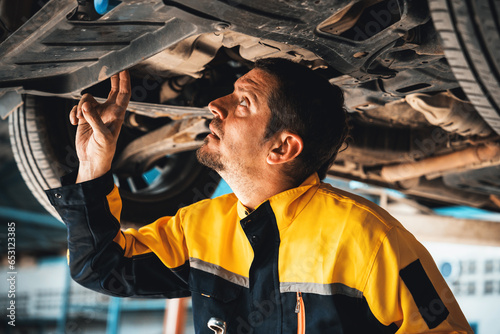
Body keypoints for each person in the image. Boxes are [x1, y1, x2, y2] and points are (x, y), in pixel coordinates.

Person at [45, 58, 472, 333]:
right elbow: (100, 268)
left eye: (243, 101)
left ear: (281, 148)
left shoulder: (366, 238)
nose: (215, 103)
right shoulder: (200, 227)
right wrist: (94, 164)